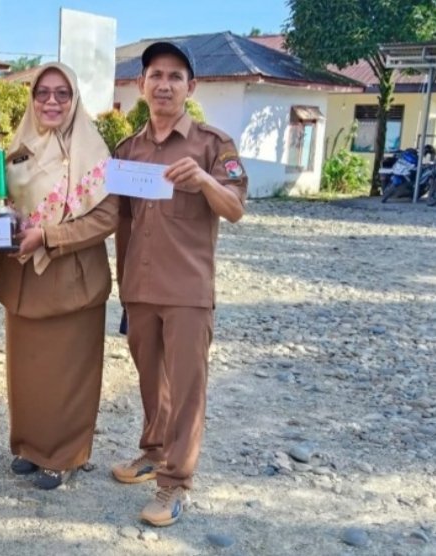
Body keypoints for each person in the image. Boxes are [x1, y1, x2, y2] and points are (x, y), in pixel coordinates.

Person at [111, 41, 247, 526]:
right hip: (140, 288)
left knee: (187, 388)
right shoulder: (128, 151)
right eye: (155, 75)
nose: (164, 85)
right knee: (151, 380)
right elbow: (120, 221)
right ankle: (153, 451)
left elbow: (235, 209)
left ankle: (174, 482)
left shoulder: (213, 145)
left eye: (175, 76)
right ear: (140, 85)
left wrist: (206, 181)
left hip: (188, 291)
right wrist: (123, 283)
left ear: (192, 87)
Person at [0, 62, 119, 490]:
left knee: (69, 371)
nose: (51, 101)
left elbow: (107, 216)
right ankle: (30, 446)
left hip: (71, 277)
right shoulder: (18, 146)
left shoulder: (93, 151)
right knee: (28, 369)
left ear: (74, 99)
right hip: (23, 276)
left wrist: (48, 235)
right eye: (42, 92)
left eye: (62, 93)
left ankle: (65, 455)